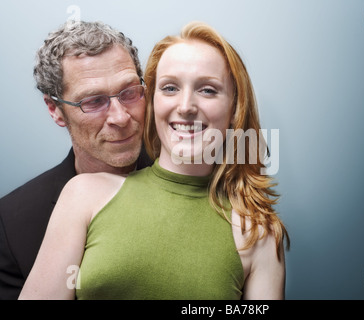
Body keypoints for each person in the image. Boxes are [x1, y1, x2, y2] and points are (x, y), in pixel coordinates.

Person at [19, 21, 289, 300]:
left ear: (235, 107)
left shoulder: (258, 232)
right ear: (152, 100)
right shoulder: (82, 195)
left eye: (208, 90)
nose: (185, 106)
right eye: (170, 88)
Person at [0, 21, 152, 300]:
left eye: (129, 92)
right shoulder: (11, 224)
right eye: (93, 102)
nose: (120, 117)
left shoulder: (200, 179)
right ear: (55, 110)